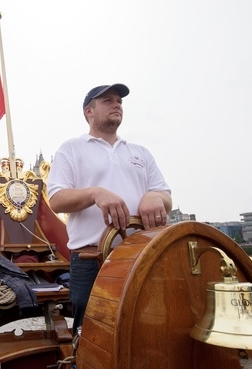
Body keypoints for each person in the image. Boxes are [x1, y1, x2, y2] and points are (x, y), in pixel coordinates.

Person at [47, 83, 172, 336]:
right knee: (92, 335)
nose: (117, 105)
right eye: (108, 101)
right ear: (89, 112)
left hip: (141, 256)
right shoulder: (71, 149)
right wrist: (95, 193)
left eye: (119, 101)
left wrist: (152, 196)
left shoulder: (140, 153)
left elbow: (166, 198)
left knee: (148, 328)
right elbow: (57, 199)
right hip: (92, 258)